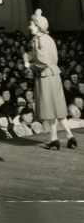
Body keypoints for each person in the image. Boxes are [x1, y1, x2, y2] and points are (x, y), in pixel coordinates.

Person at [23, 9, 76, 150]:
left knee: (51, 108)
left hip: (46, 76)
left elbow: (44, 61)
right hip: (53, 76)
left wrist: (29, 64)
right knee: (57, 107)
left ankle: (54, 139)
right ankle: (70, 136)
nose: (30, 27)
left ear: (38, 26)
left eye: (32, 24)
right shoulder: (48, 39)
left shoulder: (40, 40)